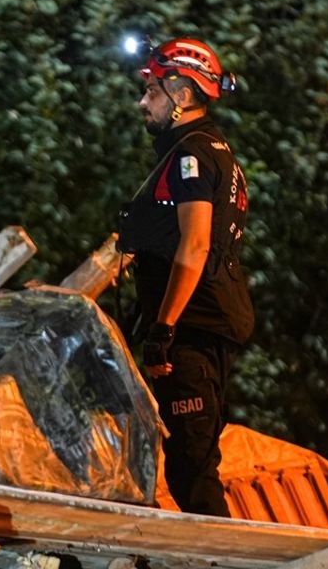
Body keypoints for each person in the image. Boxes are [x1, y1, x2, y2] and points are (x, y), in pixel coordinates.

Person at [116, 37, 252, 516]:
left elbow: (195, 245)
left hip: (191, 329)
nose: (143, 102)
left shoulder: (190, 156)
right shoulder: (211, 150)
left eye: (152, 91)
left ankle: (217, 551)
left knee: (192, 470)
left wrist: (163, 329)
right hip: (205, 324)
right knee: (191, 463)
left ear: (182, 94)